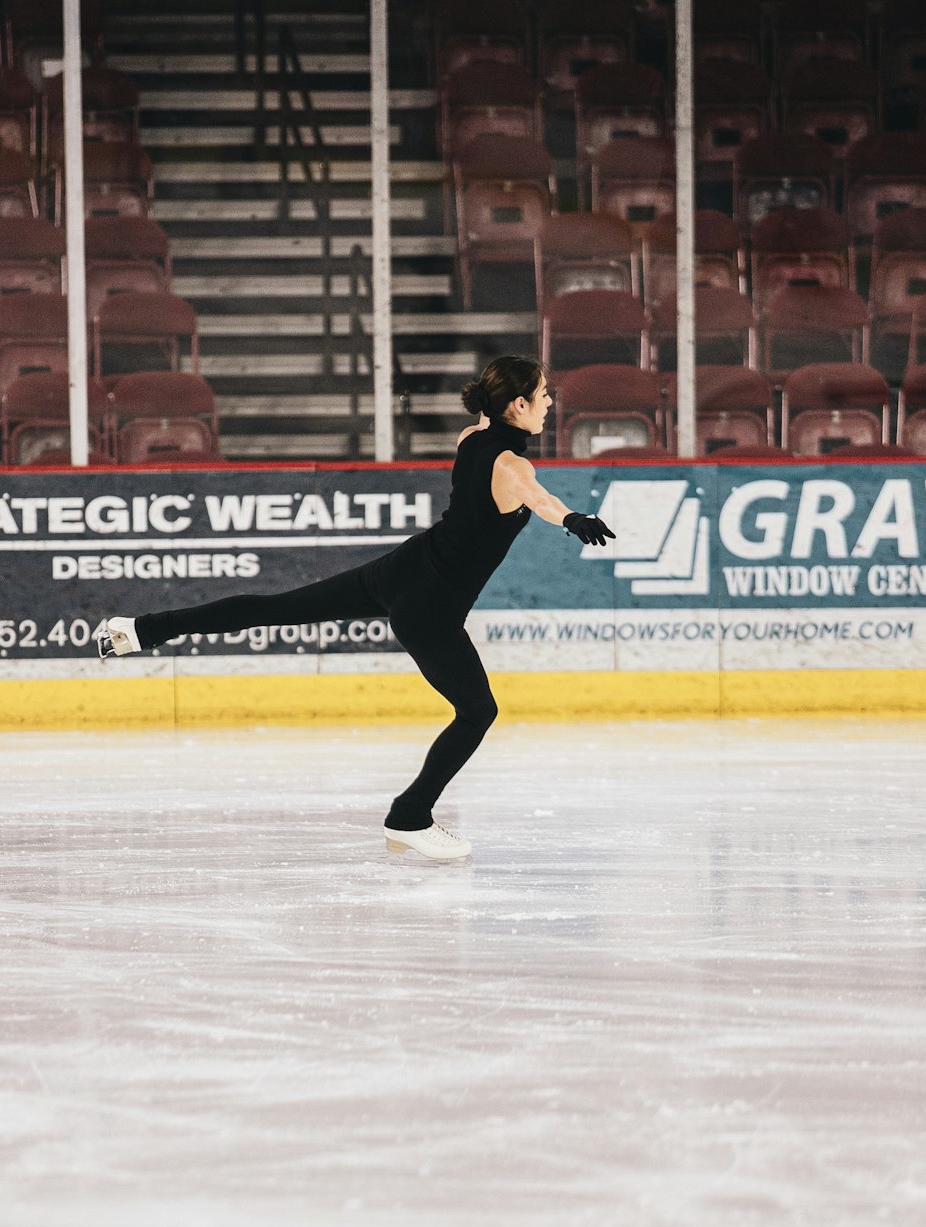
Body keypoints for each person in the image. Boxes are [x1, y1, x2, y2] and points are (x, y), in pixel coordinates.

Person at [97, 355, 615, 861]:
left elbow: (493, 433)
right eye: (544, 395)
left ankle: (138, 631)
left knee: (274, 608)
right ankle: (410, 817)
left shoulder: (471, 439)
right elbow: (537, 495)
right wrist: (573, 518)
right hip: (430, 606)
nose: (550, 403)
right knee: (478, 712)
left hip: (401, 569)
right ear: (519, 405)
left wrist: (547, 487)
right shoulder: (513, 465)